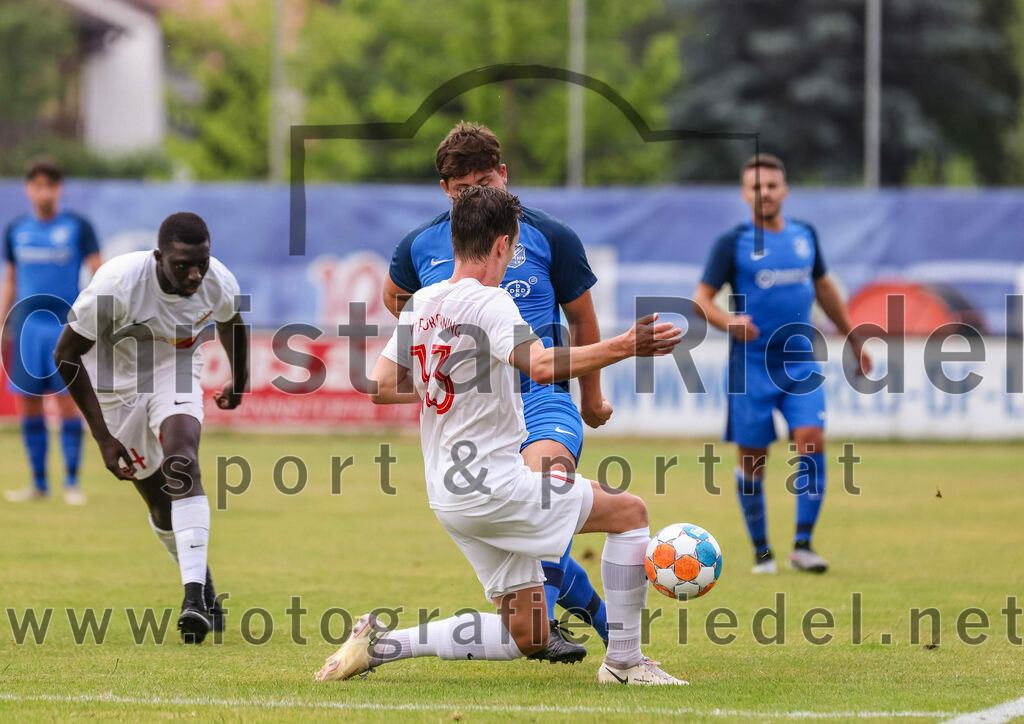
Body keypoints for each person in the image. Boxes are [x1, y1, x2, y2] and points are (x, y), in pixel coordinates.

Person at [317, 186, 684, 685]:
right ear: (500, 247)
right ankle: (625, 663)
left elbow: (380, 385)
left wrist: (446, 386)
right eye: (512, 249)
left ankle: (380, 646)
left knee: (528, 634)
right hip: (493, 488)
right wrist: (624, 345)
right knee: (630, 514)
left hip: (448, 494)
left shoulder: (423, 300)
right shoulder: (490, 302)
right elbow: (541, 362)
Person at [382, 122, 609, 661]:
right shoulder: (421, 244)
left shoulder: (552, 236)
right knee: (526, 515)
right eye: (463, 188)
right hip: (479, 412)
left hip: (541, 391)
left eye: (486, 180)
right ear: (446, 190)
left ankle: (566, 623)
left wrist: (593, 397)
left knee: (548, 482)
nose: (477, 193)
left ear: (504, 175)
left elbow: (583, 319)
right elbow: (397, 299)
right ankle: (560, 618)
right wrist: (445, 360)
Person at [53, 212, 248, 643]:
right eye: (183, 265)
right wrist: (103, 437)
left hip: (174, 368)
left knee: (183, 465)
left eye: (202, 262)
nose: (195, 274)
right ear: (159, 257)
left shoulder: (218, 280)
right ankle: (201, 577)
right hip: (115, 385)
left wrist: (241, 380)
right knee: (160, 506)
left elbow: (233, 322)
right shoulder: (117, 286)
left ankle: (193, 599)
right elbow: (65, 355)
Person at [692, 153, 870, 575]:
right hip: (750, 366)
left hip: (800, 361)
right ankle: (762, 553)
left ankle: (803, 546)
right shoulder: (732, 242)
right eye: (756, 186)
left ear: (784, 190)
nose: (764, 193)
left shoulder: (805, 236)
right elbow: (700, 300)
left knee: (811, 438)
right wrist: (728, 320)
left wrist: (853, 337)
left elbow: (825, 288)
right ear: (744, 193)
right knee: (753, 460)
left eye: (772, 185)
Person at [2, 157, 101, 505]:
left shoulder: (78, 226)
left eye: (50, 185)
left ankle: (72, 483)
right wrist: (2, 325)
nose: (43, 191)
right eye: (37, 184)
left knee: (69, 403)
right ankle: (39, 483)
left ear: (59, 189)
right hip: (27, 328)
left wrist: (96, 319)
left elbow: (98, 272)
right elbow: (11, 280)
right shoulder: (15, 229)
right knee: (27, 404)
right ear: (28, 189)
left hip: (65, 328)